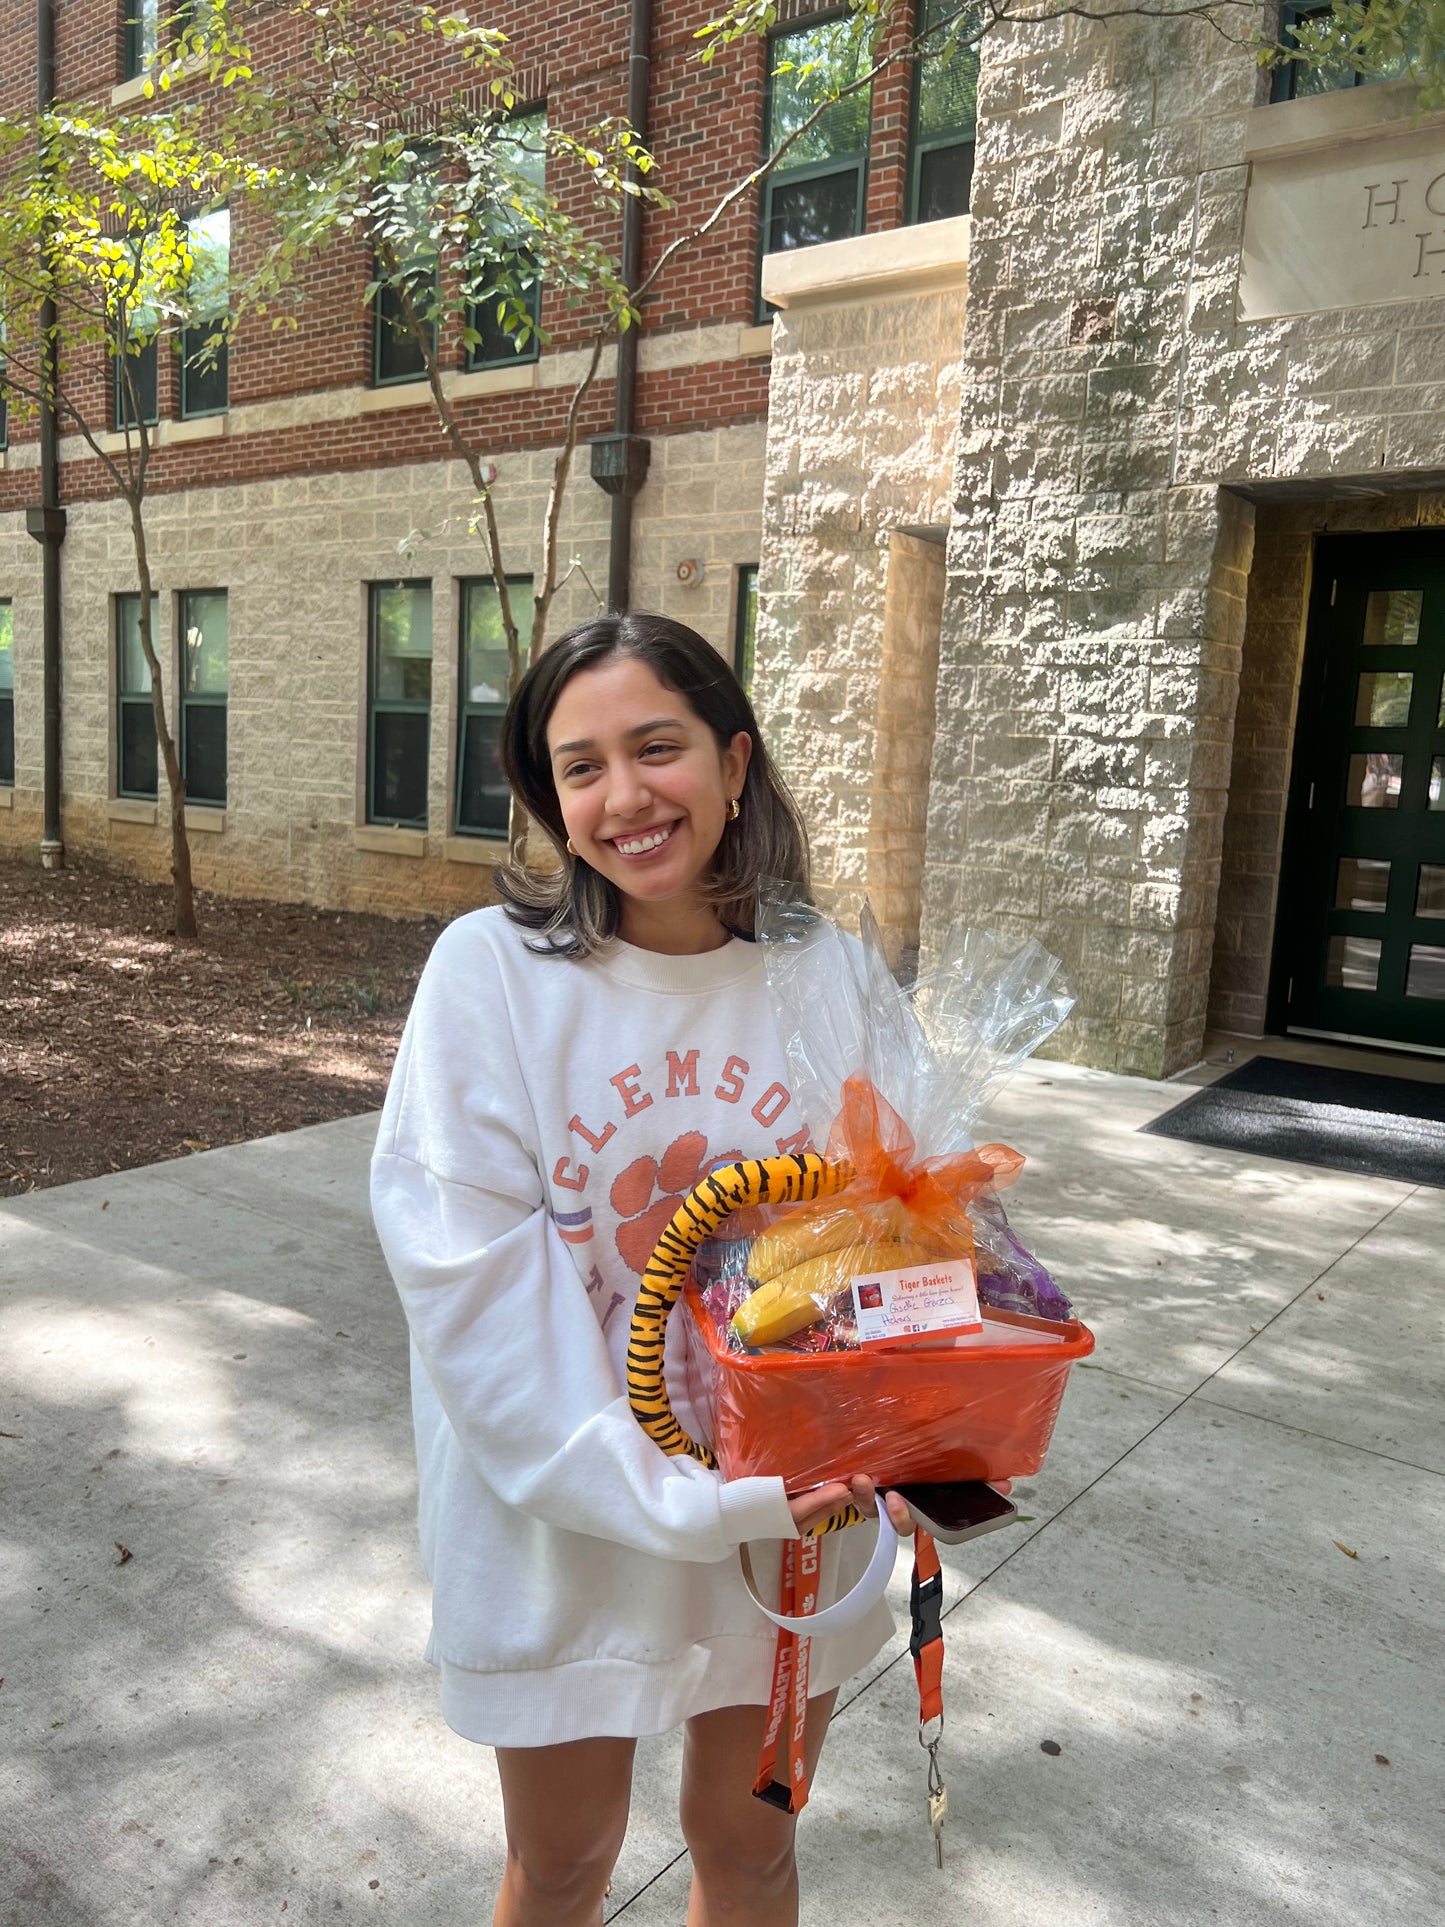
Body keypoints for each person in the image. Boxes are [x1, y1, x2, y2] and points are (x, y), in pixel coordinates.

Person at [371, 612, 915, 1927]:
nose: (623, 797)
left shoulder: (831, 979)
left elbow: (900, 1236)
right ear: (546, 801)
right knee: (558, 1869)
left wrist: (906, 1398)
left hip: (791, 1529)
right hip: (567, 1525)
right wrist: (693, 1499)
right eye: (578, 767)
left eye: (656, 747)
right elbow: (475, 1291)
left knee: (754, 1855)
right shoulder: (491, 977)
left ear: (735, 765)